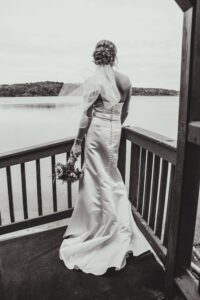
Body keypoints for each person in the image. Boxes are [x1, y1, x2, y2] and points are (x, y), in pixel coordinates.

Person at [59, 40, 151, 275]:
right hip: (114, 132)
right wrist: (114, 128)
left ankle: (100, 227)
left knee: (95, 178)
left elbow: (85, 116)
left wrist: (77, 143)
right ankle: (117, 223)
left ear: (96, 58)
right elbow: (126, 110)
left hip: (97, 131)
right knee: (111, 176)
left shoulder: (94, 80)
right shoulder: (126, 80)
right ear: (114, 56)